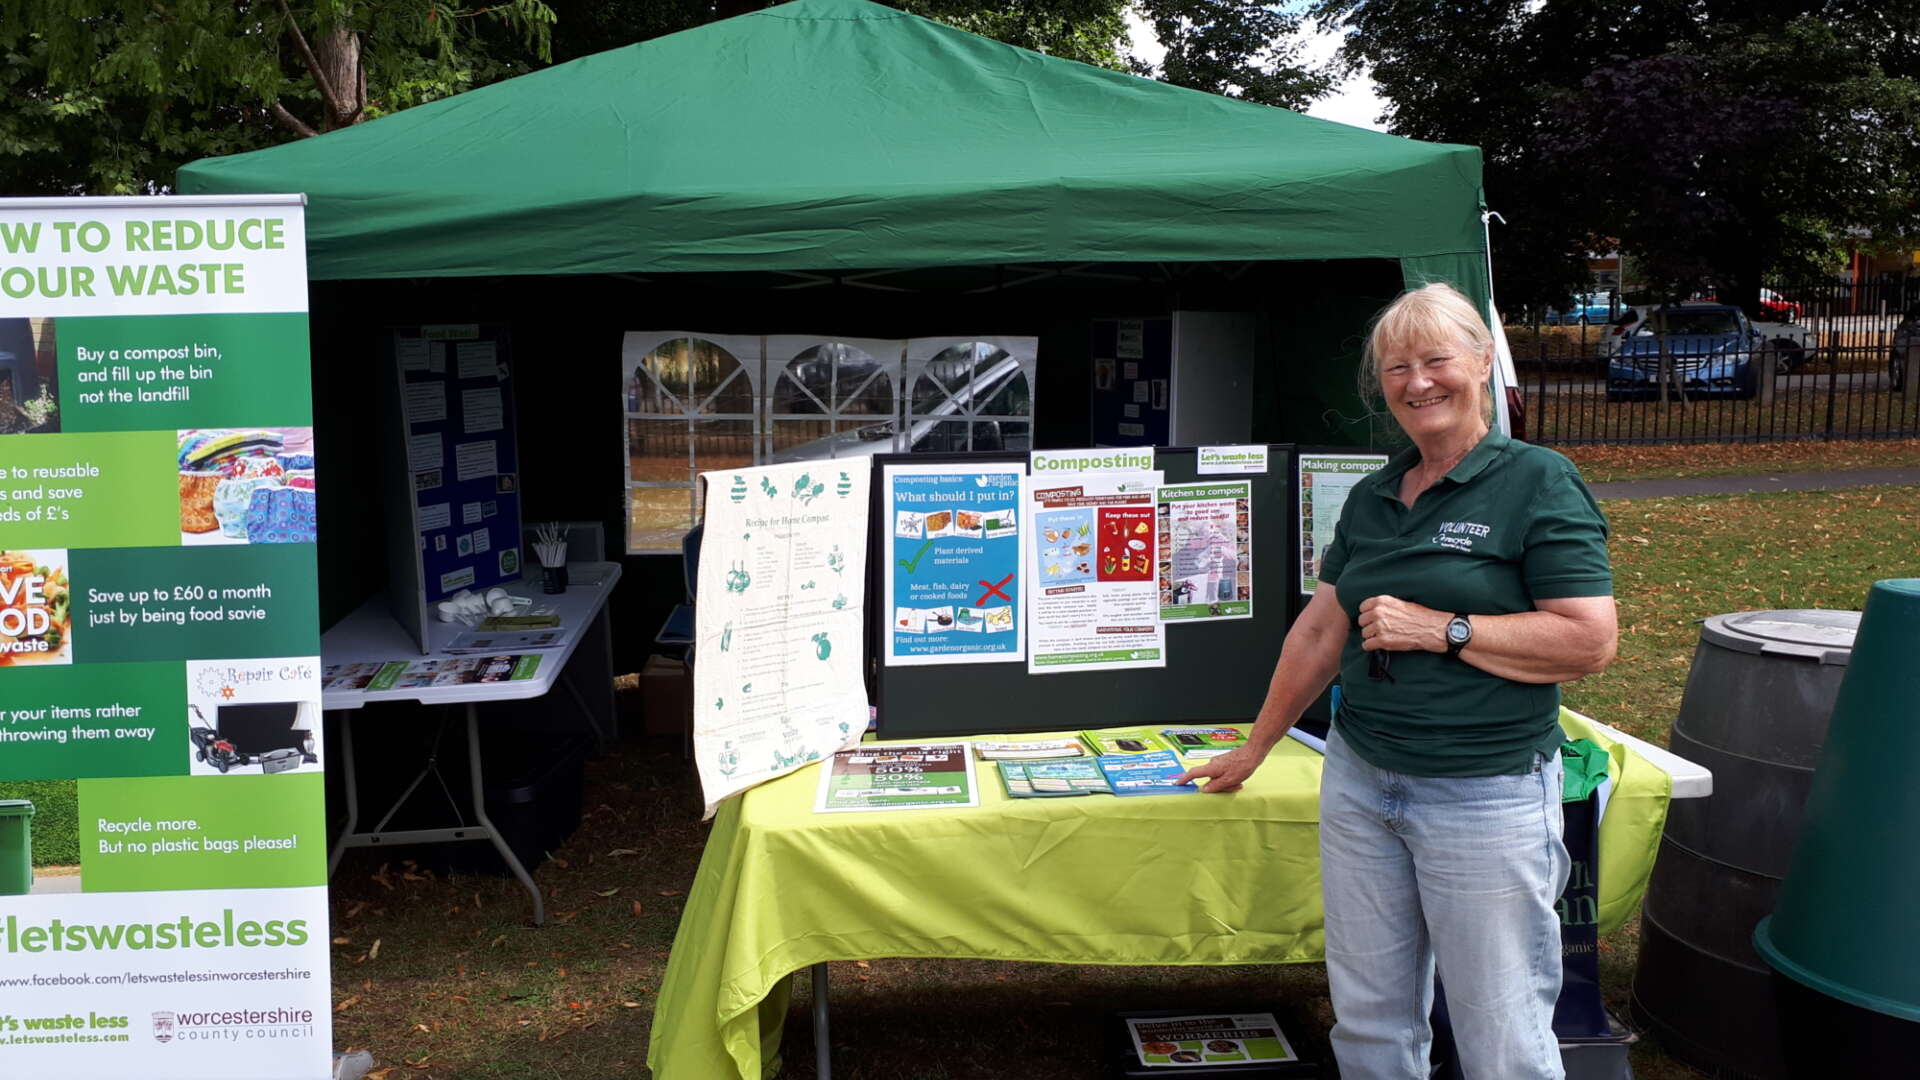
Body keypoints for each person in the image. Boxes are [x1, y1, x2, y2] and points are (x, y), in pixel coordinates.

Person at [1178, 282, 1617, 1079]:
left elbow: (1588, 642)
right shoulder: (1377, 494)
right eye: (1396, 368)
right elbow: (1319, 630)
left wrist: (1444, 631)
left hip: (1482, 791)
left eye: (1436, 360)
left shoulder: (1537, 481)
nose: (1418, 383)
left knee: (1501, 1030)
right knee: (1371, 1017)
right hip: (1361, 777)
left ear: (1482, 362)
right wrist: (1254, 747)